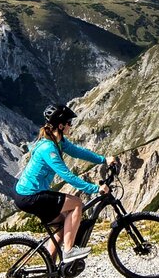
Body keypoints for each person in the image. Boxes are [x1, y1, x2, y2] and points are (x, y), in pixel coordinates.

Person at [14, 102, 116, 267]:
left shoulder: (58, 141)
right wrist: (95, 188)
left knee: (62, 226)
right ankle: (68, 252)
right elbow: (67, 176)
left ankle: (50, 269)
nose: (71, 125)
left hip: (27, 194)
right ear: (60, 125)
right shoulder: (49, 148)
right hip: (31, 196)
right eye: (69, 123)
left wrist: (103, 160)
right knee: (76, 204)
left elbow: (77, 151)